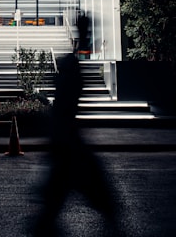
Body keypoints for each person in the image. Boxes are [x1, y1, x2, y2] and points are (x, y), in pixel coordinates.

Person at [30, 17, 122, 236]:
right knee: (86, 188)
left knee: (59, 192)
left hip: (64, 138)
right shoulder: (70, 70)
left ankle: (45, 223)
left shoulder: (68, 68)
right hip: (67, 140)